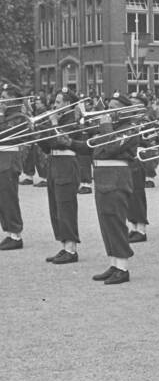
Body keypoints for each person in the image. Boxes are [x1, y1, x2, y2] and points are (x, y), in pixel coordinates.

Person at [88, 92, 139, 284]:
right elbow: (93, 148)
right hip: (103, 178)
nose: (108, 112)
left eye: (113, 108)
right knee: (106, 222)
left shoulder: (131, 128)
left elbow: (110, 147)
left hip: (117, 179)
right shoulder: (108, 128)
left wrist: (105, 124)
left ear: (124, 111)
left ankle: (123, 267)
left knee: (116, 222)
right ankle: (114, 263)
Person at [41, 88, 85, 264]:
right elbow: (48, 145)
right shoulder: (59, 121)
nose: (54, 106)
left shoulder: (73, 121)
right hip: (54, 164)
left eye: (58, 102)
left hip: (67, 164)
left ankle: (71, 248)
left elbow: (62, 140)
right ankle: (64, 244)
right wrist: (39, 132)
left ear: (67, 104)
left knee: (66, 206)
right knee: (55, 207)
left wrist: (52, 125)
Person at [0, 84, 29, 250]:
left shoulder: (18, 115)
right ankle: (9, 232)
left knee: (8, 197)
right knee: (2, 198)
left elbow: (5, 133)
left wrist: (2, 114)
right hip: (2, 157)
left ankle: (16, 234)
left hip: (10, 158)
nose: (2, 100)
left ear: (13, 99)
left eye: (5, 97)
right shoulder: (7, 114)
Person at [126, 92, 150, 243]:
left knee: (137, 193)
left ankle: (141, 229)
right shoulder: (127, 119)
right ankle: (133, 226)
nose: (132, 105)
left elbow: (148, 141)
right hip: (127, 159)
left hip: (138, 158)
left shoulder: (145, 120)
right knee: (128, 194)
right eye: (131, 102)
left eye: (136, 103)